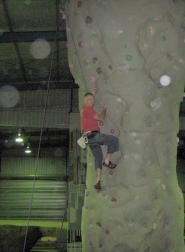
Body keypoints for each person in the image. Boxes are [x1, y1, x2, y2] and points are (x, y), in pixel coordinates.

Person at [80, 91, 119, 190]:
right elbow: (100, 117)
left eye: (92, 100)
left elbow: (88, 125)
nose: (91, 101)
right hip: (93, 136)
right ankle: (108, 160)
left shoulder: (84, 112)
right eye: (88, 99)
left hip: (88, 139)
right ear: (85, 101)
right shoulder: (88, 109)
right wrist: (104, 110)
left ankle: (97, 181)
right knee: (113, 140)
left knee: (98, 157)